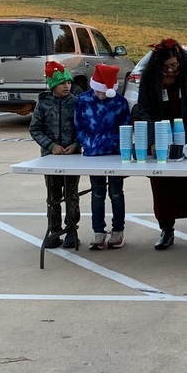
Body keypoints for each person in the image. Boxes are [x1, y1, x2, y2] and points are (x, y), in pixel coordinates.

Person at [134, 38, 187, 252]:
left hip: (184, 136)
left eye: (174, 65)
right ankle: (166, 230)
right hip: (159, 139)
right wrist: (151, 140)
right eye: (166, 66)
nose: (170, 70)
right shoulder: (149, 78)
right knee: (161, 186)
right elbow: (144, 109)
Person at [74, 63, 132, 250]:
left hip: (115, 155)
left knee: (116, 193)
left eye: (103, 91)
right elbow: (79, 125)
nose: (100, 95)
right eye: (98, 91)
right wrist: (87, 143)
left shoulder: (120, 103)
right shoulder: (83, 100)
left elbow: (126, 128)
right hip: (93, 155)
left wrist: (110, 143)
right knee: (97, 193)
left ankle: (118, 230)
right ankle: (98, 231)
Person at [29, 61, 81, 249]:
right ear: (53, 85)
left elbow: (83, 128)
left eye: (68, 82)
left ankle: (72, 231)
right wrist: (51, 146)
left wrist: (76, 144)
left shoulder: (76, 103)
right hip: (50, 160)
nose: (67, 86)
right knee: (53, 196)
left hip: (72, 159)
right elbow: (35, 129)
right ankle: (54, 231)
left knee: (71, 195)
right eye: (62, 83)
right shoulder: (43, 104)